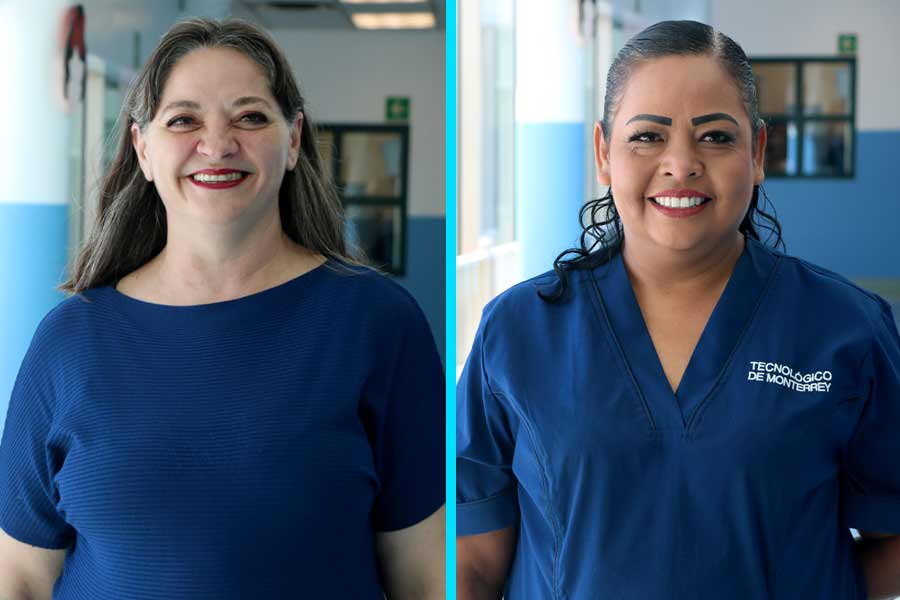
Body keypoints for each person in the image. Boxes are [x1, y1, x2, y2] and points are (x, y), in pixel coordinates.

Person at [0, 17, 444, 599]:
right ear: (142, 148)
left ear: (292, 141)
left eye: (250, 116)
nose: (217, 144)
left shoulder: (378, 324)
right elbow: (21, 577)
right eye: (184, 119)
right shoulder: (69, 342)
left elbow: (426, 576)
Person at [456, 20, 900, 599]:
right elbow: (474, 565)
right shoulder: (515, 332)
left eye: (716, 137)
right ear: (603, 152)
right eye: (647, 136)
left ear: (758, 151)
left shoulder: (846, 328)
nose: (681, 163)